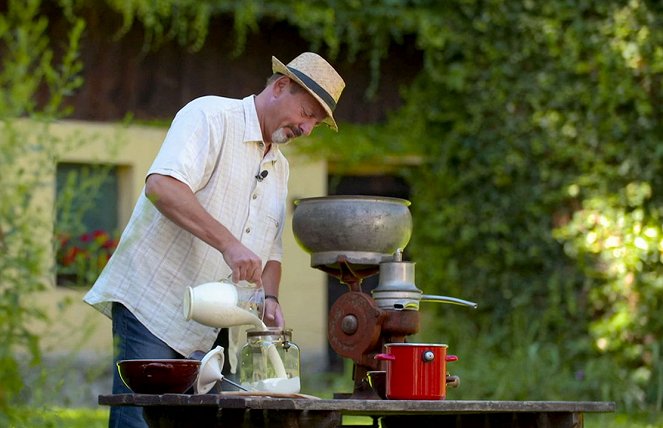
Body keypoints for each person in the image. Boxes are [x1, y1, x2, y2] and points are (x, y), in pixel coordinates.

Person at [83, 52, 345, 428]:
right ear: (281, 86)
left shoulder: (281, 167)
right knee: (140, 423)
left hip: (215, 327)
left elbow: (270, 251)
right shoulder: (209, 116)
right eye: (306, 113)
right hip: (154, 308)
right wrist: (228, 243)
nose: (306, 129)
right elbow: (162, 186)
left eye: (315, 124)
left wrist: (269, 300)